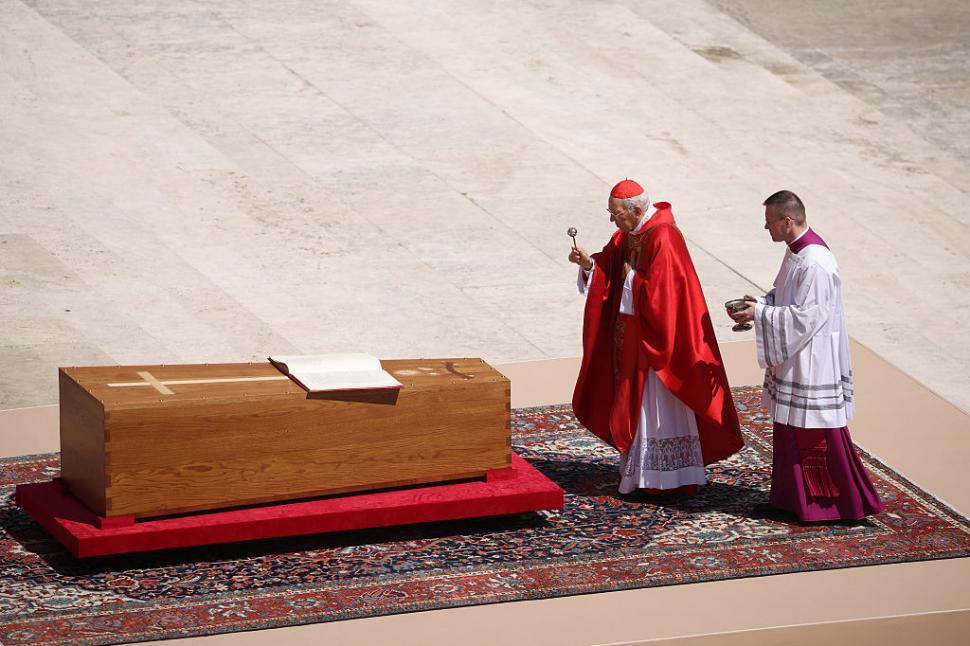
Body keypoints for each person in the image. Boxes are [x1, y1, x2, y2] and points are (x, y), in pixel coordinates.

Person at [569, 179, 744, 495]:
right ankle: (643, 473)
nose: (612, 220)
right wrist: (589, 264)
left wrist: (631, 278)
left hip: (660, 345)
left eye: (615, 213)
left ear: (635, 210)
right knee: (636, 403)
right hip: (634, 339)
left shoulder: (664, 236)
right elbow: (611, 264)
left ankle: (666, 478)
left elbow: (664, 297)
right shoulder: (630, 233)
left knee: (656, 406)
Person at [727, 190, 882, 521]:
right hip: (797, 356)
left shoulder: (814, 262)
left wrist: (760, 315)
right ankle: (789, 500)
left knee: (814, 436)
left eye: (769, 222)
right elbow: (786, 298)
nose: (765, 228)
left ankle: (831, 507)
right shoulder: (796, 251)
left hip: (811, 361)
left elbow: (805, 318)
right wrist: (762, 304)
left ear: (787, 221)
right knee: (788, 431)